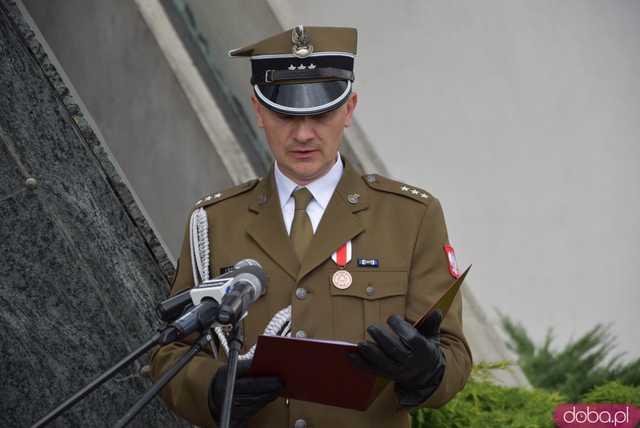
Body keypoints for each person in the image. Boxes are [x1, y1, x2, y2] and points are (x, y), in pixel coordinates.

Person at [151, 25, 472, 428]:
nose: (303, 134)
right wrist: (212, 388)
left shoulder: (410, 217)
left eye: (321, 113)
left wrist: (431, 370)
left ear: (350, 108)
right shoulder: (215, 222)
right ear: (258, 110)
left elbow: (454, 351)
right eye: (285, 114)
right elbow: (169, 352)